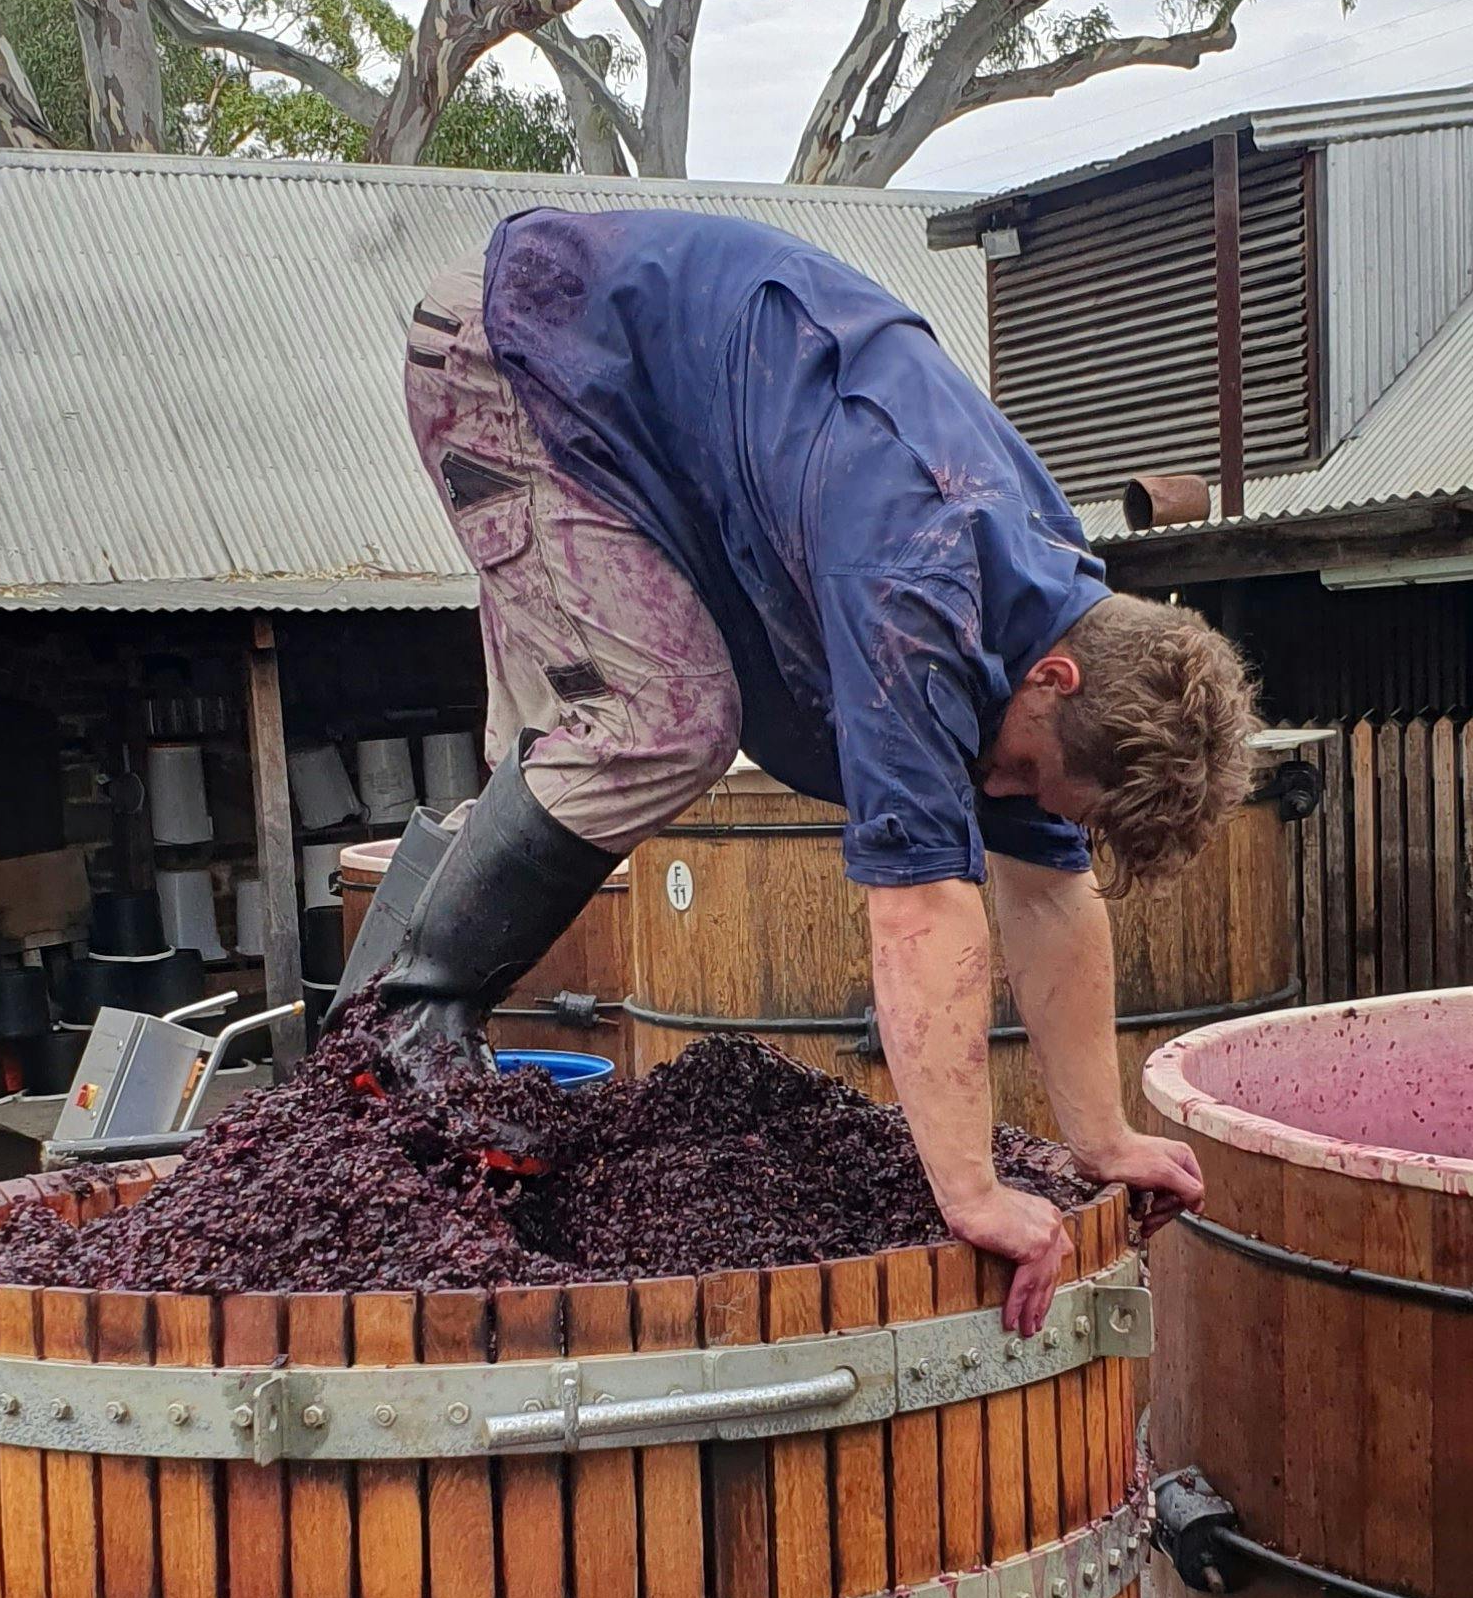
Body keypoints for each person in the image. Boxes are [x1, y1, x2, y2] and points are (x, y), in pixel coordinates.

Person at [340, 207, 1257, 1334]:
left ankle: (395, 1013)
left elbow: (1048, 889)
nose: (1003, 794)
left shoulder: (1049, 600)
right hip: (524, 354)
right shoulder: (920, 584)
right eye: (1022, 773)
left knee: (603, 720)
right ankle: (409, 1022)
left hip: (642, 412)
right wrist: (970, 1194)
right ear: (1056, 680)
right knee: (662, 722)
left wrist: (1102, 1137)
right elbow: (922, 907)